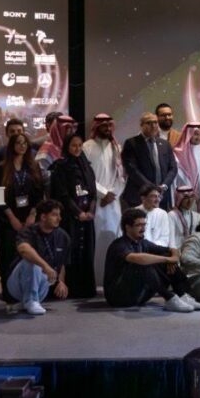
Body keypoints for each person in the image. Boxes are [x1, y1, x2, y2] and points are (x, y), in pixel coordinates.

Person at [102, 208, 194, 312]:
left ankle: (182, 295)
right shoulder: (119, 245)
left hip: (138, 294)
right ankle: (170, 298)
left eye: (144, 225)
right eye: (139, 225)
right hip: (118, 297)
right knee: (142, 263)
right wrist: (168, 259)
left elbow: (172, 250)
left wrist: (173, 258)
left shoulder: (143, 243)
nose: (143, 228)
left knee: (166, 257)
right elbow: (137, 258)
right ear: (127, 227)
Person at [49, 133, 97, 298]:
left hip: (87, 218)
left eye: (79, 145)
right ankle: (71, 288)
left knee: (87, 252)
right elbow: (62, 194)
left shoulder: (87, 166)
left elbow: (93, 193)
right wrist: (78, 213)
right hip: (70, 218)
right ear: (67, 147)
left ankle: (86, 289)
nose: (77, 149)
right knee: (71, 251)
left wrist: (90, 212)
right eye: (73, 146)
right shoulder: (61, 167)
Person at [0, 133, 45, 302]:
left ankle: (30, 293)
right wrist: (12, 218)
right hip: (9, 219)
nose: (22, 146)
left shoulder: (33, 167)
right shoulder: (1, 168)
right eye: (18, 143)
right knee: (9, 255)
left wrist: (33, 214)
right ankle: (9, 295)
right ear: (12, 146)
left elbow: (40, 193)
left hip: (30, 217)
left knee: (29, 255)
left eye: (25, 143)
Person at [5, 200, 70, 316]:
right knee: (32, 262)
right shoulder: (28, 231)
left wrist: (61, 281)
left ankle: (28, 301)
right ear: (43, 217)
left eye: (59, 215)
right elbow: (24, 249)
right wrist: (45, 266)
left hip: (44, 285)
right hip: (17, 283)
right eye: (54, 215)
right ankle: (30, 300)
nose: (59, 218)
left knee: (39, 270)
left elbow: (62, 262)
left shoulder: (63, 236)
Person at [82, 113, 126, 283]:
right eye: (104, 126)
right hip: (96, 201)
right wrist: (103, 193)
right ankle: (96, 279)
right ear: (96, 127)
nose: (107, 129)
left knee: (114, 238)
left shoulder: (116, 148)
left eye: (109, 126)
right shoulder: (87, 147)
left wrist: (113, 194)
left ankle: (112, 279)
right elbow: (86, 176)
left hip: (113, 202)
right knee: (97, 240)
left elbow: (122, 176)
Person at [121, 112, 177, 211]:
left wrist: (164, 185)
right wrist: (151, 188)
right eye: (149, 123)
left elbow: (173, 168)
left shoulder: (164, 144)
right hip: (139, 195)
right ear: (141, 125)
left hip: (162, 195)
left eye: (155, 122)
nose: (153, 126)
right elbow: (132, 169)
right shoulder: (132, 143)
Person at [170, 185, 200, 250]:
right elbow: (171, 238)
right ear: (179, 199)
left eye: (192, 197)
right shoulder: (172, 215)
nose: (189, 201)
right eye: (186, 198)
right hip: (177, 250)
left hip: (194, 250)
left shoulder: (198, 216)